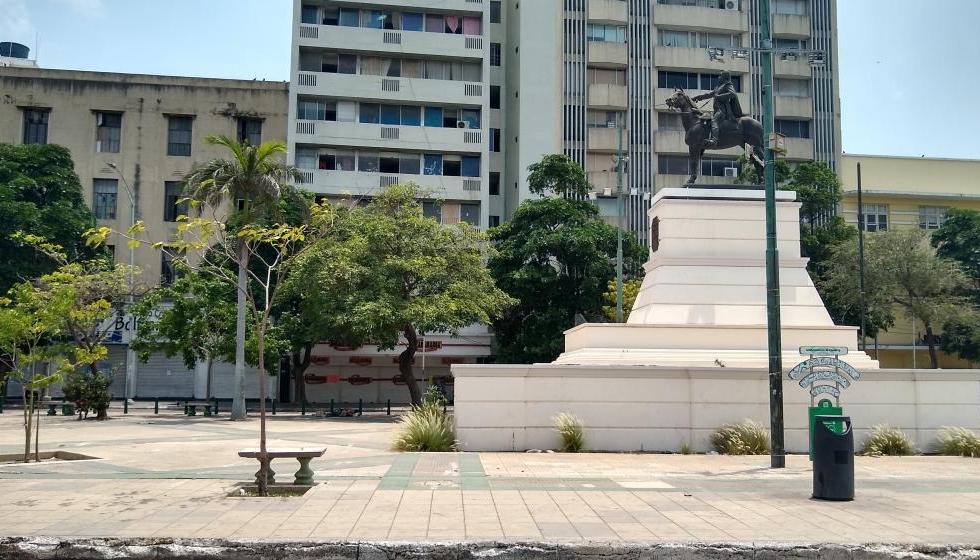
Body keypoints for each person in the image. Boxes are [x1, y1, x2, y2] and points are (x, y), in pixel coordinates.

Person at [692, 70, 743, 148]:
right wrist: (698, 98)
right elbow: (709, 95)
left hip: (722, 111)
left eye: (721, 76)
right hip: (716, 110)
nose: (719, 77)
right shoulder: (718, 87)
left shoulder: (728, 85)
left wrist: (719, 97)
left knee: (714, 120)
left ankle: (714, 141)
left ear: (724, 77)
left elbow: (733, 94)